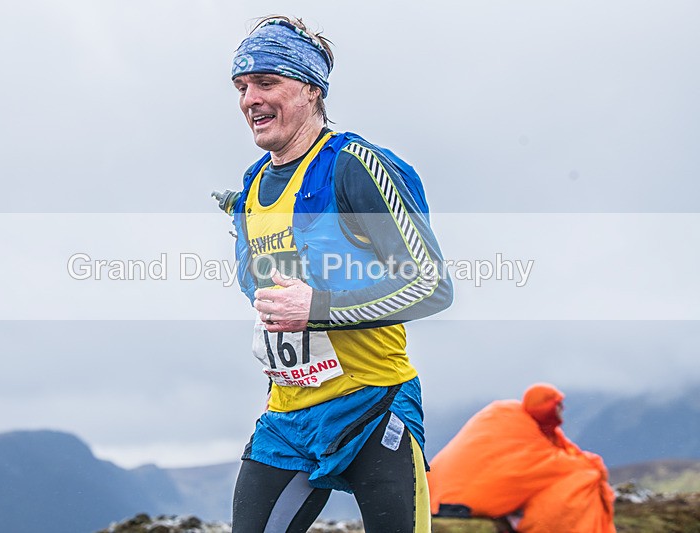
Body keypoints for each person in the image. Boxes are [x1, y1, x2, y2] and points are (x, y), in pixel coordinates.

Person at [224, 16, 453, 533]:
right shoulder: (253, 185)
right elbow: (262, 291)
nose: (249, 100)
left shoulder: (354, 164)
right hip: (287, 419)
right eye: (241, 88)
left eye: (266, 83)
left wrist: (319, 309)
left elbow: (431, 285)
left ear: (309, 89)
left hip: (374, 407)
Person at [427, 383, 616, 533]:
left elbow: (559, 454)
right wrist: (591, 465)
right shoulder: (514, 422)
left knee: (584, 473)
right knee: (585, 478)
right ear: (547, 407)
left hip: (438, 491)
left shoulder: (513, 415)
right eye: (558, 405)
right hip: (458, 499)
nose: (562, 409)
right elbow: (541, 464)